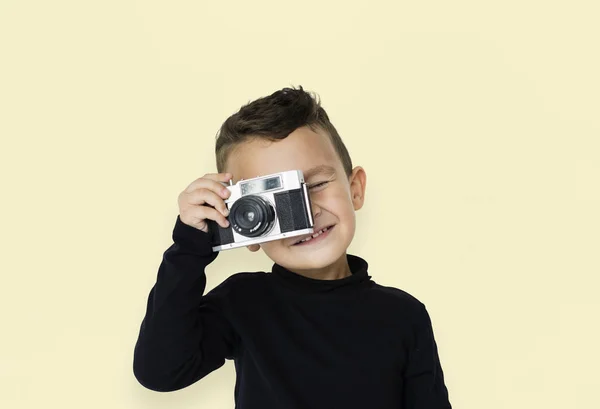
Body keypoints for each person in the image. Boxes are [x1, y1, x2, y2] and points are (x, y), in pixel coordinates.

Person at [133, 86, 452, 408]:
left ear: (355, 190)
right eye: (272, 203)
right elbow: (161, 371)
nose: (307, 213)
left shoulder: (403, 314)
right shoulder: (243, 302)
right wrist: (189, 248)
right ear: (244, 221)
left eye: (315, 185)